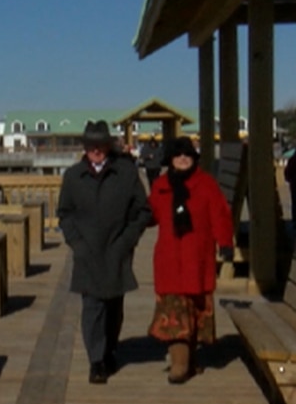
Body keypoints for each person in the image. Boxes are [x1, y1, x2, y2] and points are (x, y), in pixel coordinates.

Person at [57, 120, 153, 384]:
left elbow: (143, 211)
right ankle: (96, 360)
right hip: (87, 251)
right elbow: (64, 214)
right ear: (85, 148)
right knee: (92, 308)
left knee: (113, 307)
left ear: (108, 146)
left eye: (101, 145)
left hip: (117, 249)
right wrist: (76, 242)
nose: (96, 150)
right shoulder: (73, 176)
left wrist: (128, 240)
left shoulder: (125, 172)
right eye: (91, 146)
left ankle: (110, 349)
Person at [147, 137, 234, 384]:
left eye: (187, 155)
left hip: (198, 258)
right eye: (178, 155)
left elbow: (220, 214)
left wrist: (225, 243)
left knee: (195, 312)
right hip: (170, 260)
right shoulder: (161, 185)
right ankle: (179, 364)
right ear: (171, 160)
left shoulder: (206, 184)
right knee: (175, 313)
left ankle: (191, 360)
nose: (183, 158)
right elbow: (150, 214)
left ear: (194, 158)